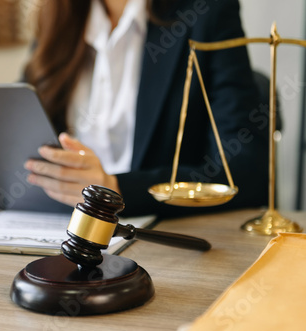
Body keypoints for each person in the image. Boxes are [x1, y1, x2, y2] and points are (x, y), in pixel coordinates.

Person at [23, 0, 269, 217]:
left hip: (156, 237)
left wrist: (116, 188)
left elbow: (246, 171)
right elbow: (17, 127)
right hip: (52, 223)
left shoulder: (207, 10)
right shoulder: (57, 16)